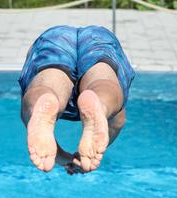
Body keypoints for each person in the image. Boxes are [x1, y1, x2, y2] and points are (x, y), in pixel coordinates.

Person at [19, 25, 135, 174]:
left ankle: (46, 95)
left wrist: (62, 158)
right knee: (101, 78)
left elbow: (28, 113)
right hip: (98, 38)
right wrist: (83, 156)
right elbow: (118, 121)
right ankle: (101, 104)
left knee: (49, 81)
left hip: (57, 37)